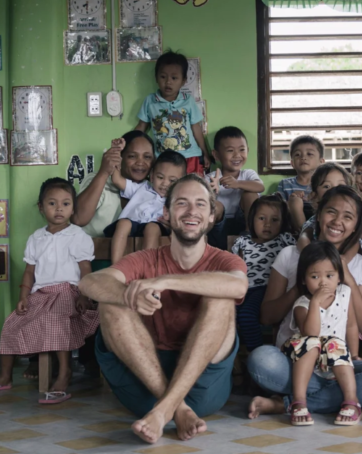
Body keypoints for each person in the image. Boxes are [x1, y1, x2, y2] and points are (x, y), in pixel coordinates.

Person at [79, 175, 248, 444]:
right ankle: (173, 409)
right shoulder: (145, 259)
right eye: (182, 203)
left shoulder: (225, 260)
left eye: (201, 204)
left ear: (212, 216)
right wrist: (129, 296)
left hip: (202, 386)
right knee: (112, 303)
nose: (192, 212)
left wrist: (165, 281)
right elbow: (90, 282)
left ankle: (165, 409)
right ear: (166, 214)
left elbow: (238, 287)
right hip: (144, 381)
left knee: (221, 296)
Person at [246, 186, 362, 419]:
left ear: (356, 225)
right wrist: (303, 284)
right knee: (260, 360)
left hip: (337, 368)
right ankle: (338, 399)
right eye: (331, 212)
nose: (337, 221)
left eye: (348, 217)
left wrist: (346, 276)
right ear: (319, 214)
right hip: (292, 363)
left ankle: (288, 403)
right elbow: (267, 317)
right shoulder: (289, 255)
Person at [0, 178, 99, 404]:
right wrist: (23, 298)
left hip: (68, 292)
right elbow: (28, 272)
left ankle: (64, 372)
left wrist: (84, 295)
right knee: (11, 322)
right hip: (41, 294)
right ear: (41, 207)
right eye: (52, 203)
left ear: (73, 207)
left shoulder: (77, 236)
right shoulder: (36, 238)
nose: (59, 209)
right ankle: (5, 376)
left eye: (66, 204)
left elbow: (86, 269)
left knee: (55, 321)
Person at [281, 242, 360, 426]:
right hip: (304, 367)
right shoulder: (302, 304)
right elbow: (310, 333)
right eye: (315, 276)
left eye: (329, 275)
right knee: (312, 343)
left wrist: (355, 356)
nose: (323, 282)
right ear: (303, 280)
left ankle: (351, 401)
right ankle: (299, 401)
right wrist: (315, 304)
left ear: (339, 276)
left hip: (337, 365)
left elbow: (351, 326)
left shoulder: (344, 293)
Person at [231, 195, 295, 351]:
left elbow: (300, 253)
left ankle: (257, 356)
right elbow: (233, 264)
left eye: (275, 220)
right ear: (252, 220)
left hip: (267, 289)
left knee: (246, 316)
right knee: (225, 315)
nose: (267, 224)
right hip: (243, 288)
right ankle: (233, 360)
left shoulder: (283, 239)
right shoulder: (243, 242)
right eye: (261, 218)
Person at [103, 145, 187, 264]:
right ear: (152, 176)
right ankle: (116, 267)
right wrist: (116, 153)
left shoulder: (178, 200)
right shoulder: (142, 187)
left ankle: (148, 267)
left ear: (182, 182)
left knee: (152, 228)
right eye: (160, 177)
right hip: (132, 224)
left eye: (172, 181)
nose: (165, 183)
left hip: (156, 226)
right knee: (123, 223)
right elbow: (116, 180)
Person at [135, 50, 211, 176]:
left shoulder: (188, 100)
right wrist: (126, 146)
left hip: (190, 156)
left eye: (174, 78)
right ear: (156, 77)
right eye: (163, 77)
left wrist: (205, 153)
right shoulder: (150, 101)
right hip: (164, 159)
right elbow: (141, 127)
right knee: (166, 191)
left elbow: (196, 129)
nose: (168, 82)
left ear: (183, 81)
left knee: (192, 191)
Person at [73, 131, 155, 237]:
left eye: (147, 157)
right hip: (89, 250)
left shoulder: (152, 190)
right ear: (120, 158)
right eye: (132, 156)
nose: (140, 162)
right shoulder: (99, 179)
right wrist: (104, 172)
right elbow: (78, 219)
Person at [207, 126, 265, 249]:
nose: (237, 155)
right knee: (215, 205)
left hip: (244, 221)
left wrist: (238, 184)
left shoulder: (248, 174)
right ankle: (198, 238)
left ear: (248, 151)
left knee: (250, 193)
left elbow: (260, 187)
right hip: (219, 224)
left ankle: (250, 236)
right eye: (230, 150)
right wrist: (210, 192)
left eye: (242, 149)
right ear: (216, 155)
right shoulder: (211, 178)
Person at [276, 135, 325, 231]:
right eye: (297, 154)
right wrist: (292, 200)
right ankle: (304, 233)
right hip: (292, 226)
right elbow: (278, 209)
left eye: (309, 154)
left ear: (321, 162)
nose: (303, 157)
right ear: (292, 163)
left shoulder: (324, 184)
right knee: (295, 201)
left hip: (319, 224)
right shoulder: (285, 184)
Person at [296, 162, 354, 239]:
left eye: (340, 186)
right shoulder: (315, 220)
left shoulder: (352, 217)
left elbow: (355, 241)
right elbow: (304, 238)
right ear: (315, 196)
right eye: (326, 186)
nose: (334, 190)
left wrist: (346, 252)